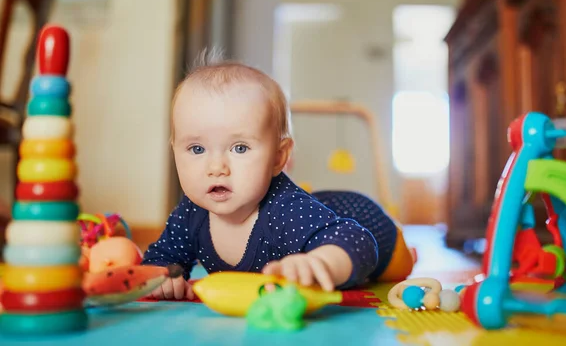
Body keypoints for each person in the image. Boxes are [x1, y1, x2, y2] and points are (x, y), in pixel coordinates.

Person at [141, 51, 415, 300]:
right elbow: (163, 257)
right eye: (197, 148)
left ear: (278, 158)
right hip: (319, 211)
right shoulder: (190, 213)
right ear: (174, 151)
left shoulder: (284, 209)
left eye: (239, 148)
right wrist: (162, 278)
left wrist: (321, 262)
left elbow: (359, 240)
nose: (216, 167)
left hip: (368, 223)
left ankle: (409, 250)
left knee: (398, 268)